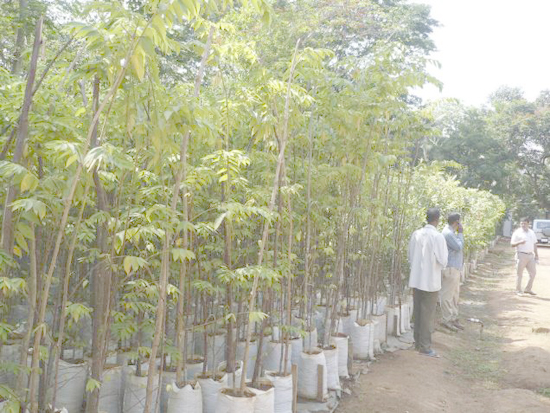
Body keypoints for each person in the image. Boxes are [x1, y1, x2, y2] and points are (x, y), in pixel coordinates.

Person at [409, 208, 448, 357]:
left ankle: (417, 343)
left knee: (418, 312)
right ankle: (425, 347)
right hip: (430, 281)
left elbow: (410, 256)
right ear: (437, 220)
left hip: (416, 279)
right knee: (427, 315)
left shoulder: (416, 234)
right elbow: (443, 260)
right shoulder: (438, 237)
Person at [440, 212, 465, 332]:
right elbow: (459, 247)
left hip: (454, 268)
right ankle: (447, 319)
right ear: (457, 222)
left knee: (454, 295)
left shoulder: (450, 232)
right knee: (447, 296)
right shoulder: (448, 233)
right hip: (450, 268)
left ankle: (453, 318)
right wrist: (461, 233)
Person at [510, 217, 539, 295]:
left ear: (528, 224)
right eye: (521, 223)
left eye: (525, 223)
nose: (523, 225)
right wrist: (520, 242)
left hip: (530, 255)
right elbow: (512, 244)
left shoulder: (531, 232)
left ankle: (528, 289)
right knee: (519, 274)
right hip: (521, 255)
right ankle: (518, 290)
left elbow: (534, 244)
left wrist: (536, 255)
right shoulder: (517, 233)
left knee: (533, 273)